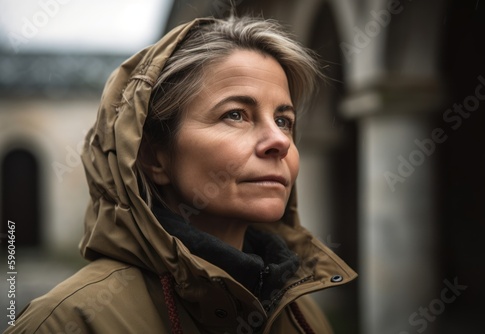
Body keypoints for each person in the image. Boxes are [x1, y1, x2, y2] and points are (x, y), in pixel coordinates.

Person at [5, 16, 356, 334]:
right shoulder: (66, 322)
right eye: (236, 114)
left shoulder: (302, 314)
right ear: (153, 157)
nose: (280, 140)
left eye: (284, 120)